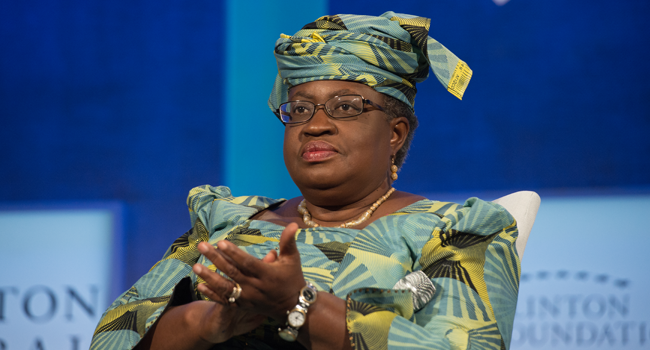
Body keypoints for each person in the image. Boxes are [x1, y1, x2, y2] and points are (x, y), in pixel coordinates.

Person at [90, 11, 521, 350]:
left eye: (346, 107)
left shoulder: (455, 233)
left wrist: (298, 304)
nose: (315, 125)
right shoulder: (229, 220)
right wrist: (211, 323)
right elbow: (114, 336)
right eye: (299, 109)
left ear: (395, 133)